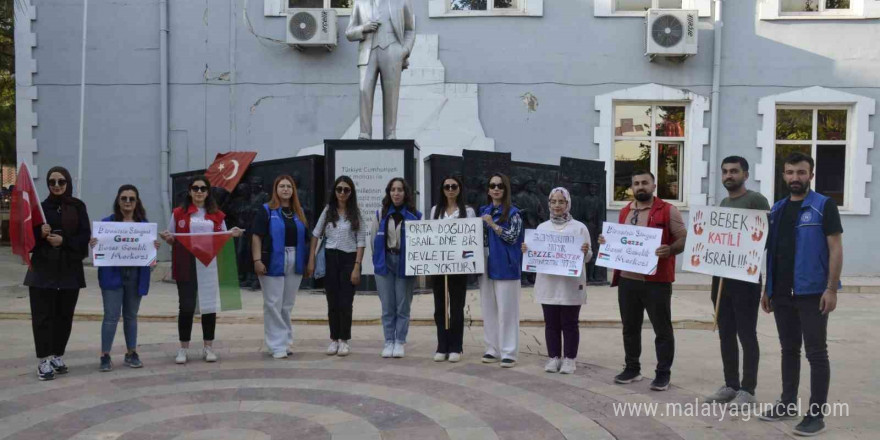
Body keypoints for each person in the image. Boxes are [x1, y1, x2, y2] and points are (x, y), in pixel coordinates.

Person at [758, 152, 843, 437]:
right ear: (783, 175)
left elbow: (835, 248)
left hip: (812, 292)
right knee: (789, 350)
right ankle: (787, 403)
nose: (795, 177)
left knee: (816, 354)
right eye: (790, 172)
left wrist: (831, 288)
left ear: (811, 175)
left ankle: (816, 416)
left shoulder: (823, 206)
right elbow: (774, 252)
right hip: (781, 293)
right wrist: (768, 289)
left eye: (801, 172)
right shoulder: (778, 209)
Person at [599, 170, 686, 391]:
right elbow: (619, 241)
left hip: (656, 281)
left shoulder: (668, 210)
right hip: (628, 280)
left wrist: (670, 249)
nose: (640, 187)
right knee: (630, 327)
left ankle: (663, 373)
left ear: (654, 186)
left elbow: (682, 239)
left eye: (645, 183)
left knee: (662, 329)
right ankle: (632, 368)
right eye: (636, 183)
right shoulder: (625, 211)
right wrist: (606, 241)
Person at [704, 157, 770, 405]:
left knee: (746, 334)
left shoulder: (756, 200)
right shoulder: (722, 202)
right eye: (725, 172)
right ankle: (730, 385)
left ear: (745, 174)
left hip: (746, 278)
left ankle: (748, 390)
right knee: (726, 334)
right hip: (721, 277)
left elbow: (764, 237)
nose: (729, 175)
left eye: (734, 171)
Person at [159, 176, 242, 364]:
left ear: (207, 192)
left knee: (208, 306)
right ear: (189, 191)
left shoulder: (217, 215)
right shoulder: (179, 213)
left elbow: (224, 236)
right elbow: (173, 237)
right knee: (186, 306)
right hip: (186, 263)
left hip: (209, 264)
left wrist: (232, 233)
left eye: (203, 188)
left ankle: (208, 347)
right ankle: (183, 348)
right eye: (195, 188)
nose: (199, 192)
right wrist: (166, 237)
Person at [24, 166, 90, 381]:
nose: (57, 186)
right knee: (43, 316)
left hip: (69, 271)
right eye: (52, 182)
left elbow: (84, 239)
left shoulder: (78, 207)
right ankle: (43, 359)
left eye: (61, 181)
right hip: (43, 271)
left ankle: (57, 354)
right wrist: (38, 233)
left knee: (64, 316)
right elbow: (28, 243)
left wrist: (64, 241)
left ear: (68, 182)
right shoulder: (39, 209)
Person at [90, 185, 161, 371]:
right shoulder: (106, 224)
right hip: (112, 274)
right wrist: (95, 244)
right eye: (124, 198)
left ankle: (131, 352)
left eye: (131, 198)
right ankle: (105, 355)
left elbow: (150, 257)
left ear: (137, 202)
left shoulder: (144, 226)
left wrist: (152, 248)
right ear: (118, 201)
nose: (128, 202)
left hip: (136, 275)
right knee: (111, 316)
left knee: (131, 316)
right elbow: (99, 249)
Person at [523, 187, 591, 374]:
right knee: (551, 323)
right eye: (553, 201)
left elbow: (588, 257)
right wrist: (527, 251)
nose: (557, 205)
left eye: (561, 201)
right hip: (548, 284)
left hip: (570, 284)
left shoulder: (579, 227)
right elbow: (535, 255)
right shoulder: (542, 228)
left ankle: (570, 359)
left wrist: (586, 251)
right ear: (549, 204)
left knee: (570, 323)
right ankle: (553, 357)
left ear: (568, 204)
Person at [251, 175, 311, 359]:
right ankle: (276, 345)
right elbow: (256, 236)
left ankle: (286, 342)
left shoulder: (298, 211)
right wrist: (257, 260)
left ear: (293, 190)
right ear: (275, 189)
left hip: (295, 258)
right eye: (282, 186)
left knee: (287, 305)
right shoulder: (266, 210)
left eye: (289, 186)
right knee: (272, 304)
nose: (285, 189)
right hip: (273, 260)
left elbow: (307, 238)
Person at [307, 176, 367, 357]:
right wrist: (311, 259)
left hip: (349, 259)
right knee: (332, 301)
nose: (342, 193)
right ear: (334, 191)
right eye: (339, 189)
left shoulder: (356, 213)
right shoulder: (328, 211)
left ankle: (344, 340)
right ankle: (334, 338)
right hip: (331, 258)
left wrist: (357, 266)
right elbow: (316, 234)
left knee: (346, 302)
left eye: (346, 190)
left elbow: (361, 241)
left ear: (351, 192)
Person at [346, 0, 416, 140]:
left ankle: (390, 134)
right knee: (364, 91)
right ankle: (364, 133)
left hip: (392, 51)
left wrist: (404, 51)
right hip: (367, 52)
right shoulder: (360, 3)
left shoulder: (402, 2)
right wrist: (363, 28)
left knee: (391, 94)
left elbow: (410, 30)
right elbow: (349, 33)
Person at [371, 177, 421, 358]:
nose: (396, 193)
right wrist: (378, 261)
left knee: (402, 305)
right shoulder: (380, 214)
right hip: (385, 262)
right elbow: (373, 240)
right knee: (387, 306)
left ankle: (399, 341)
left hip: (404, 263)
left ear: (405, 193)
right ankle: (388, 341)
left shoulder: (416, 215)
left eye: (400, 190)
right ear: (388, 192)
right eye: (393, 190)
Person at [479, 173, 524, 368]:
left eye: (500, 186)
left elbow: (512, 237)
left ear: (505, 189)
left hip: (507, 266)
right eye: (492, 185)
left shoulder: (514, 213)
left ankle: (509, 352)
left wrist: (492, 225)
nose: (496, 188)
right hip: (486, 264)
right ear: (488, 189)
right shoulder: (483, 211)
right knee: (488, 309)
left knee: (507, 311)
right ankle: (492, 348)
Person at [429, 176, 476, 363]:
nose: (450, 189)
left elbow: (472, 237)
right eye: (446, 186)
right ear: (442, 189)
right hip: (439, 265)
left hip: (459, 265)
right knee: (440, 306)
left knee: (457, 307)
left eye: (453, 186)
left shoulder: (469, 211)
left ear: (459, 188)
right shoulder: (435, 210)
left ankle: (456, 346)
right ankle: (442, 345)